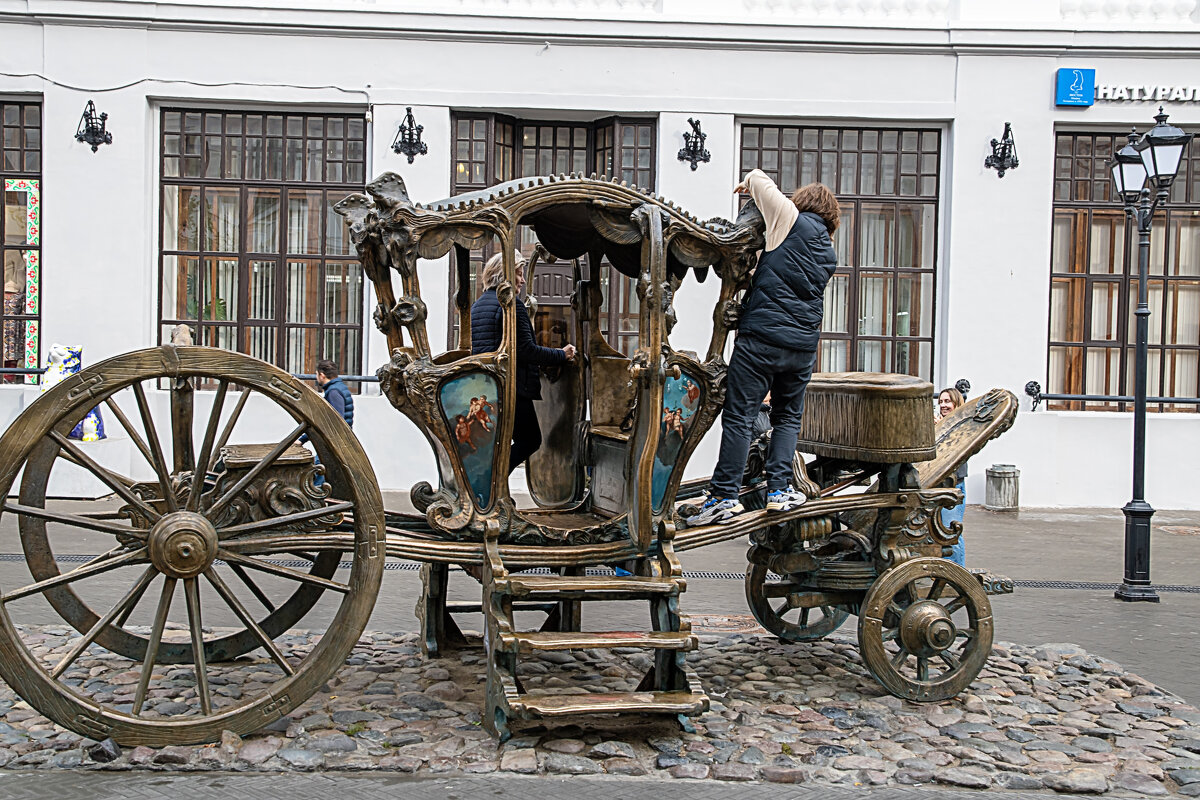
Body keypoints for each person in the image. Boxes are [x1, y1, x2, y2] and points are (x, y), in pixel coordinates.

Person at [689, 170, 840, 526]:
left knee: (740, 416)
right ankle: (778, 491)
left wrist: (748, 186)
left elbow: (758, 177)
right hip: (802, 348)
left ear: (801, 203)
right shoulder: (829, 251)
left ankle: (724, 495)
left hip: (762, 340)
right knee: (787, 417)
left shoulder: (788, 219)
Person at [470, 250, 576, 473]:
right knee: (530, 440)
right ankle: (495, 481)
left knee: (502, 442)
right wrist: (561, 354)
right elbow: (526, 350)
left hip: (488, 387)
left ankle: (494, 484)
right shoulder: (511, 305)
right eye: (518, 273)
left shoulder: (478, 305)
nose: (522, 280)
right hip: (512, 388)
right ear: (503, 275)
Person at [937, 386, 967, 565]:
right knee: (940, 533)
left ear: (956, 403)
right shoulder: (940, 424)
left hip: (954, 487)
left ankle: (957, 573)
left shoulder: (962, 427)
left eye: (947, 401)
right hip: (939, 487)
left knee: (951, 532)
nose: (943, 405)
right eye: (941, 402)